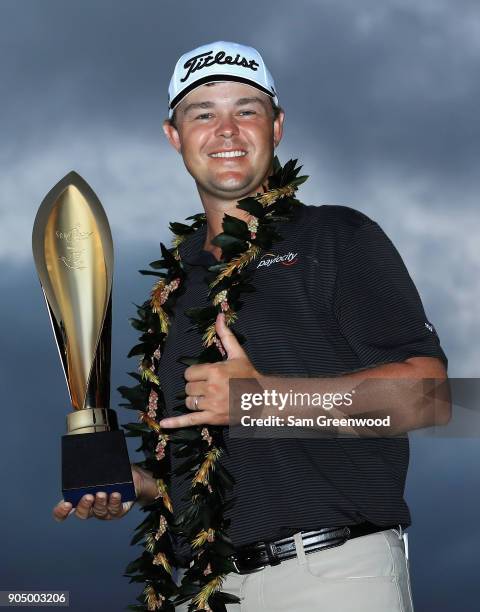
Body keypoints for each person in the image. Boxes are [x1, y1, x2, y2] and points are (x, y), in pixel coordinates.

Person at [53, 41, 450, 611]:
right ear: (174, 135)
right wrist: (139, 486)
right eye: (203, 113)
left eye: (246, 109)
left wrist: (263, 399)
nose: (227, 129)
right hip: (206, 591)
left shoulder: (335, 237)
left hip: (331, 578)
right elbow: (207, 462)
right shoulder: (175, 287)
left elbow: (432, 398)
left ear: (277, 125)